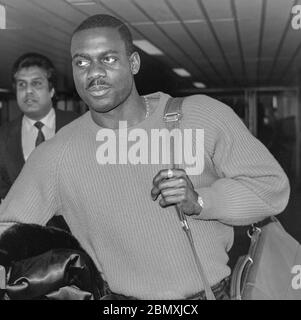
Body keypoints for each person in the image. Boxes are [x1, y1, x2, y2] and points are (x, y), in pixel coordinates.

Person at [0, 15, 290, 300]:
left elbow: (271, 187)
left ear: (134, 63)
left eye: (109, 59)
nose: (94, 72)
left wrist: (201, 201)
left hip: (209, 293)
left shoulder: (201, 117)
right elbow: (8, 232)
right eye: (82, 62)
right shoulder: (56, 154)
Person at [0, 53, 78, 229]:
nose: (28, 91)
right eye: (22, 85)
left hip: (76, 238)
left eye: (36, 83)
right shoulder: (3, 137)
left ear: (51, 90)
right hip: (23, 239)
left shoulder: (78, 126)